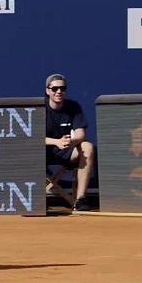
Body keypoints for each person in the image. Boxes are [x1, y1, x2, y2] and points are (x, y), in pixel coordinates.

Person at [44, 74, 94, 212]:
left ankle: (80, 199)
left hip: (66, 149)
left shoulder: (73, 106)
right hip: (43, 151)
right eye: (55, 89)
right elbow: (34, 137)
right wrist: (56, 142)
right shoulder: (40, 107)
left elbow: (81, 134)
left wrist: (71, 141)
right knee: (29, 148)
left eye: (62, 88)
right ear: (48, 91)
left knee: (87, 147)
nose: (59, 91)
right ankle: (37, 198)